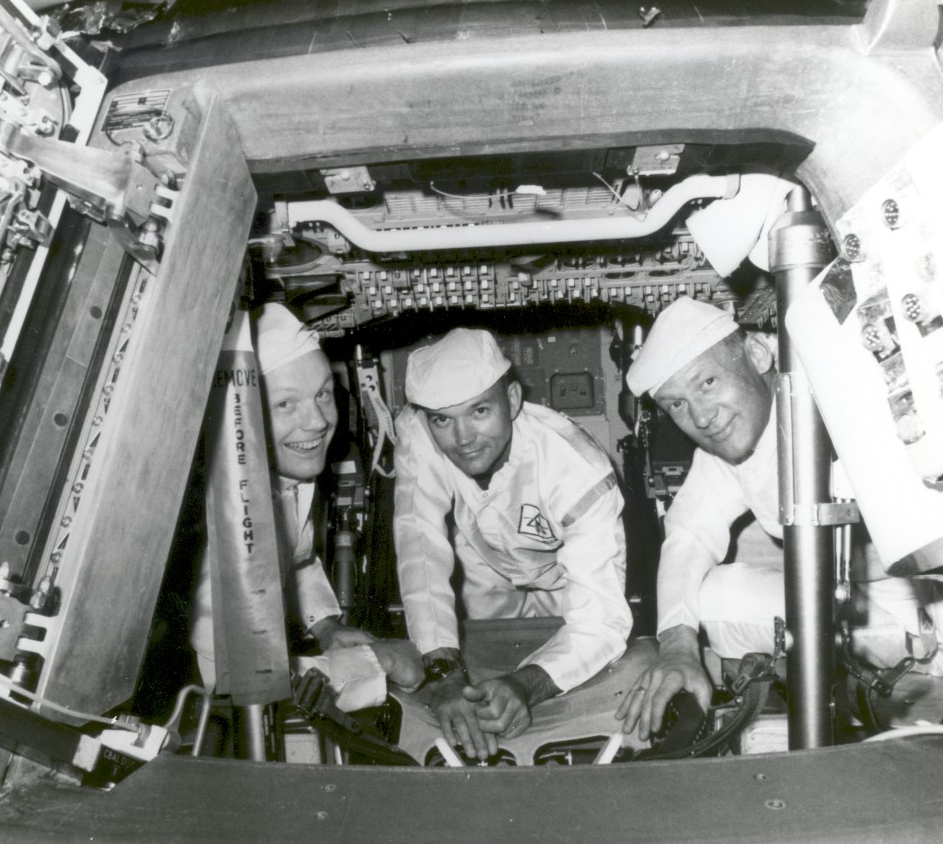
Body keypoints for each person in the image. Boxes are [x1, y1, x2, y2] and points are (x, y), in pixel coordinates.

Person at [615, 296, 941, 741]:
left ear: (757, 354)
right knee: (710, 596)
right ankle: (888, 682)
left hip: (929, 598)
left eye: (707, 382)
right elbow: (688, 535)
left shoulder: (837, 400)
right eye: (677, 405)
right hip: (875, 614)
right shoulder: (728, 449)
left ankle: (916, 677)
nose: (702, 417)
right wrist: (676, 647)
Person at [393, 327, 632, 761]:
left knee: (568, 681)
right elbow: (420, 546)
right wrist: (445, 676)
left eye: (479, 411)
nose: (462, 439)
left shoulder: (577, 471)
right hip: (480, 564)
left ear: (515, 401)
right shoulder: (420, 431)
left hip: (564, 576)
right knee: (476, 698)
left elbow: (600, 620)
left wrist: (526, 683)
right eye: (444, 420)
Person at [190, 304, 422, 703]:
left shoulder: (287, 472)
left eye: (322, 395)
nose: (316, 421)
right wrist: (377, 664)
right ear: (238, 416)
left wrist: (325, 625)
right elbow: (233, 679)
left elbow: (295, 558)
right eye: (285, 404)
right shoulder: (218, 517)